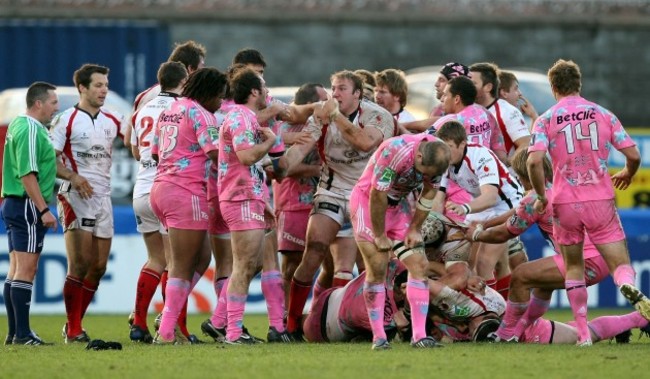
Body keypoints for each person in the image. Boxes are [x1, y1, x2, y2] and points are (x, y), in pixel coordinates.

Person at [527, 58, 650, 346]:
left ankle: (583, 334)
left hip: (564, 202)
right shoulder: (603, 114)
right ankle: (627, 285)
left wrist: (541, 195)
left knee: (573, 267)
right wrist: (628, 174)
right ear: (579, 84)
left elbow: (533, 161)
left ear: (554, 87)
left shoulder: (545, 119)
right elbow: (633, 155)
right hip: (599, 198)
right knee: (620, 262)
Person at [284, 70, 395, 340]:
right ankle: (291, 325)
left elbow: (365, 142)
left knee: (369, 262)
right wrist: (285, 157)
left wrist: (335, 117)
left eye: (342, 88)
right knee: (315, 252)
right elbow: (298, 150)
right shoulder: (322, 114)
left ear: (358, 93)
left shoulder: (378, 115)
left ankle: (375, 323)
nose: (336, 94)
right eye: (334, 88)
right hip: (331, 191)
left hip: (367, 194)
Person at [466, 148, 610, 342]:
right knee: (542, 285)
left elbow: (505, 233)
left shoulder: (535, 199)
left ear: (525, 174)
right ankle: (639, 319)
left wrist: (476, 235)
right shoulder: (562, 186)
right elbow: (516, 212)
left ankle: (505, 334)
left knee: (521, 275)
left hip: (584, 260)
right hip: (602, 256)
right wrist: (486, 223)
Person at [350, 133, 451, 350]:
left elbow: (429, 193)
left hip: (399, 207)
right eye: (423, 172)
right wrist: (379, 235)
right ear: (420, 156)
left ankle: (419, 336)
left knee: (420, 265)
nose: (424, 177)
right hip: (368, 204)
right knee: (377, 267)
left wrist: (414, 228)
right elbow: (378, 195)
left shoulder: (438, 160)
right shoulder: (394, 150)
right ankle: (379, 338)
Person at [148, 67, 227, 344]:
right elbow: (216, 154)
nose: (220, 102)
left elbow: (155, 153)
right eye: (219, 96)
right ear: (209, 93)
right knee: (181, 265)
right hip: (186, 192)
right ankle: (167, 330)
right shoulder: (201, 114)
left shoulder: (170, 110)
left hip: (160, 190)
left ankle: (169, 314)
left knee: (202, 258)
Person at [50, 64, 126, 343]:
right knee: (80, 264)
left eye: (106, 84)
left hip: (102, 196)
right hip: (74, 193)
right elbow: (51, 159)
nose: (104, 89)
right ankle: (73, 329)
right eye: (98, 85)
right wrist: (73, 176)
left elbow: (136, 141)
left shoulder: (114, 118)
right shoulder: (66, 120)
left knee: (99, 267)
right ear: (82, 87)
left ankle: (74, 324)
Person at [217, 68, 290, 344]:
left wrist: (263, 200)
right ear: (254, 92)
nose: (267, 91)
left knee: (253, 263)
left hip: (250, 196)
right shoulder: (239, 117)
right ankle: (232, 332)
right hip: (240, 197)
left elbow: (249, 166)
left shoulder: (244, 117)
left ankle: (225, 324)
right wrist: (270, 141)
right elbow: (246, 156)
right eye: (264, 86)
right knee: (244, 264)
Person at [128, 61, 188, 343]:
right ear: (183, 82)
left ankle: (138, 321)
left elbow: (135, 149)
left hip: (140, 188)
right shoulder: (180, 109)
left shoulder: (141, 109)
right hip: (166, 189)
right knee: (177, 263)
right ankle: (174, 326)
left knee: (156, 259)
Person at [433, 120, 523, 293]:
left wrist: (465, 208)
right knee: (468, 264)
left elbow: (490, 197)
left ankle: (492, 312)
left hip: (507, 204)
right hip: (482, 207)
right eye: (443, 147)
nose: (445, 152)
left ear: (463, 144)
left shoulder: (480, 156)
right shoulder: (446, 159)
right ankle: (507, 310)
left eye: (449, 146)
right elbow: (439, 197)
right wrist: (433, 220)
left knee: (483, 263)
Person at [1, 82, 59, 345]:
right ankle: (22, 333)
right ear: (38, 103)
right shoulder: (31, 130)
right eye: (53, 103)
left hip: (15, 203)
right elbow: (27, 173)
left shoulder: (18, 124)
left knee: (15, 269)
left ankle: (15, 333)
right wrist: (44, 209)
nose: (55, 108)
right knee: (27, 269)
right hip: (27, 204)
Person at [469, 63, 530, 161]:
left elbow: (525, 144)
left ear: (488, 87)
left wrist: (503, 166)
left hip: (502, 175)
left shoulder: (507, 111)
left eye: (473, 84)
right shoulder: (466, 110)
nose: (467, 87)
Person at [402, 62, 469, 133]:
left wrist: (402, 126)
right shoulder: (438, 109)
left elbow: (435, 125)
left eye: (442, 80)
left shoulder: (468, 114)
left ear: (454, 86)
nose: (436, 84)